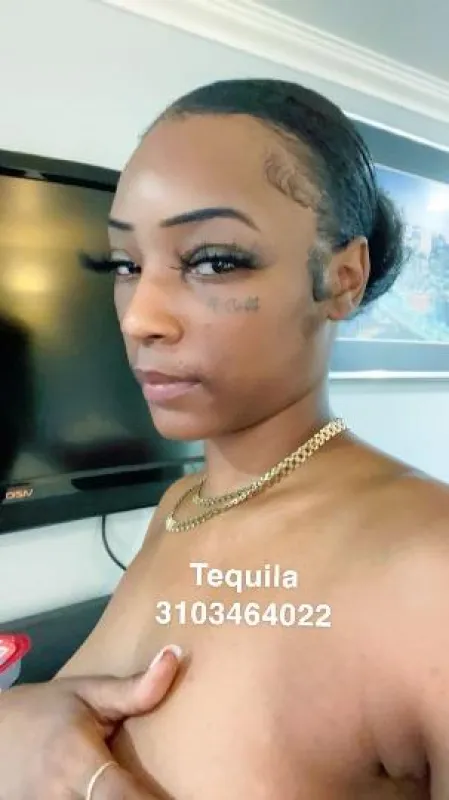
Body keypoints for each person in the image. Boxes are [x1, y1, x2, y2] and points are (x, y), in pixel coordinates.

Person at [1, 77, 449, 799]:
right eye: (124, 264)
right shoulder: (180, 506)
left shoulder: (430, 565)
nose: (138, 317)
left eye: (213, 260)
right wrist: (23, 721)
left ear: (341, 278)